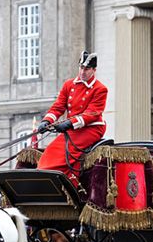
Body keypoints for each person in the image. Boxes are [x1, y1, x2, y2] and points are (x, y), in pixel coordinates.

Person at [36, 50, 107, 184]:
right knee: (50, 154)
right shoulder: (69, 85)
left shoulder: (100, 89)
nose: (82, 72)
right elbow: (58, 106)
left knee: (64, 154)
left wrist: (69, 123)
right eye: (81, 68)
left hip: (91, 128)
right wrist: (47, 120)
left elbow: (92, 113)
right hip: (73, 127)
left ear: (94, 70)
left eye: (87, 69)